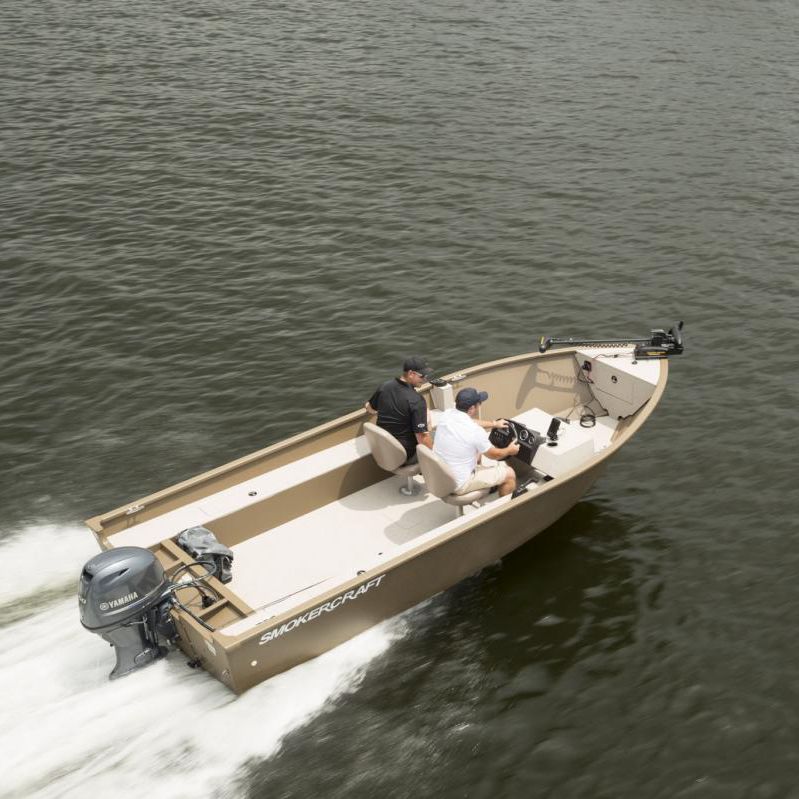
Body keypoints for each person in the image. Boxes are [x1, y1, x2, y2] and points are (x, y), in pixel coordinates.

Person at [433, 387, 520, 497]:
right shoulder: (475, 432)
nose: (480, 405)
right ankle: (505, 509)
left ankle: (484, 481)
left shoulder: (447, 414)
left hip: (442, 477)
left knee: (477, 450)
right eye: (479, 403)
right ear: (472, 408)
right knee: (510, 474)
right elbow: (494, 455)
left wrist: (494, 424)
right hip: (459, 484)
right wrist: (509, 450)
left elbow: (471, 422)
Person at [364, 356, 433, 463]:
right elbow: (422, 437)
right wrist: (433, 460)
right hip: (404, 456)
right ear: (411, 374)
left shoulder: (384, 387)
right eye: (422, 376)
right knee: (436, 436)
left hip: (383, 450)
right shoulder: (416, 401)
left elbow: (369, 407)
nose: (425, 379)